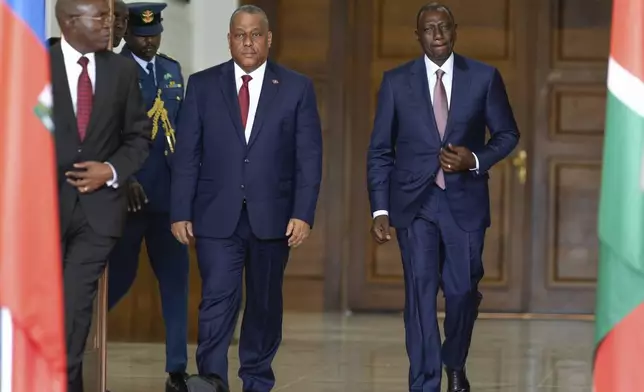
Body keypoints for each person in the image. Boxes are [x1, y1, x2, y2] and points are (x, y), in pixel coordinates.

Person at [366, 3, 519, 392]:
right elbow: (381, 150)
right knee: (419, 296)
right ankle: (424, 382)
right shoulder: (396, 81)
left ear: (455, 30)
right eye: (428, 29)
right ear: (417, 36)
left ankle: (454, 362)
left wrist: (475, 158)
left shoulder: (483, 77)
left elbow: (507, 135)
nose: (437, 35)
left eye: (443, 27)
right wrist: (380, 208)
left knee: (462, 291)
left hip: (464, 203)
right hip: (414, 205)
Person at [170, 4, 323, 392]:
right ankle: (212, 380)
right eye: (240, 34)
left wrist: (303, 213)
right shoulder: (203, 85)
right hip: (215, 215)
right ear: (229, 40)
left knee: (264, 306)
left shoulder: (296, 87)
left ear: (268, 39)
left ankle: (256, 380)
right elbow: (188, 153)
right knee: (217, 300)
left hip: (273, 217)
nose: (248, 41)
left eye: (256, 34)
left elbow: (308, 157)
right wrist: (180, 211)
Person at [50, 0, 151, 391]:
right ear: (71, 22)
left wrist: (110, 171)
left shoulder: (121, 70)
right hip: (42, 212)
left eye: (113, 16)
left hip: (98, 216)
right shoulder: (35, 66)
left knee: (75, 308)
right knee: (42, 307)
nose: (112, 24)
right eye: (102, 17)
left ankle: (65, 382)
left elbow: (138, 137)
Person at [107, 3, 189, 392]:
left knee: (175, 283)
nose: (149, 41)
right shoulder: (114, 69)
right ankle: (76, 344)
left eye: (154, 34)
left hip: (169, 198)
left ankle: (176, 370)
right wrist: (125, 179)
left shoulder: (171, 71)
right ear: (126, 36)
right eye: (142, 36)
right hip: (129, 198)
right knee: (118, 279)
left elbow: (182, 134)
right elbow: (106, 134)